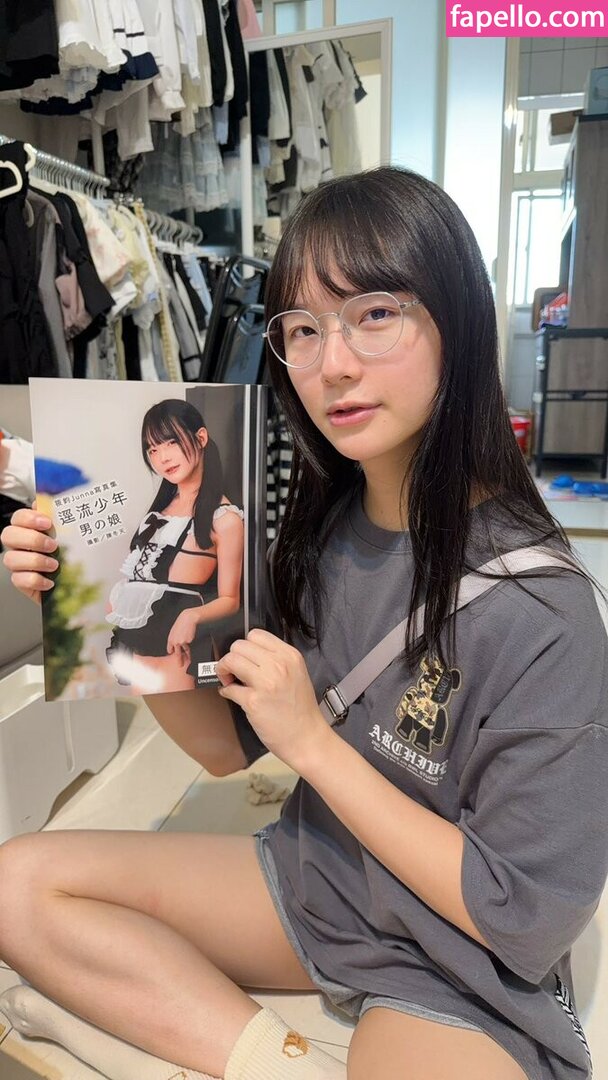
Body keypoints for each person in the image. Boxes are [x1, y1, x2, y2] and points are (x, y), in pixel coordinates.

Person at [1, 166, 607, 1080]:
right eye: (304, 329)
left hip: (457, 955)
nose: (334, 364)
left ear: (459, 320)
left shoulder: (543, 608)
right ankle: (279, 1065)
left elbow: (526, 917)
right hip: (316, 882)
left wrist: (315, 746)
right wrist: (83, 599)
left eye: (375, 313)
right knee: (18, 884)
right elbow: (224, 749)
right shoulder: (322, 533)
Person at [105, 398, 245, 693]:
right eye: (153, 449)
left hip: (179, 655)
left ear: (201, 438)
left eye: (171, 442)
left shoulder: (224, 519)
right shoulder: (158, 512)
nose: (162, 458)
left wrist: (191, 615)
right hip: (136, 649)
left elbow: (230, 599)